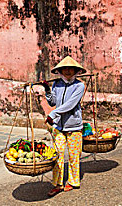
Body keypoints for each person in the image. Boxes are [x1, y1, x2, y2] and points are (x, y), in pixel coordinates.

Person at [41, 56, 86, 197]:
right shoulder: (56, 84)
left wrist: (53, 114)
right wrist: (48, 90)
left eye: (70, 68)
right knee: (57, 155)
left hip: (74, 126)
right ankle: (58, 183)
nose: (67, 71)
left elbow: (70, 105)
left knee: (74, 155)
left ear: (75, 70)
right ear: (60, 70)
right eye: (64, 69)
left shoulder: (79, 86)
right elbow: (53, 102)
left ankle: (73, 181)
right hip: (58, 126)